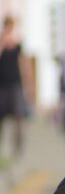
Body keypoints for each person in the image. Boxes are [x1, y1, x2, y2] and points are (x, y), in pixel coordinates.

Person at [0, 15, 31, 163]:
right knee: (2, 119)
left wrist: (28, 85)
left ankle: (18, 148)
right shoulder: (2, 41)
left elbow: (24, 64)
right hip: (2, 85)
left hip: (15, 85)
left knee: (19, 117)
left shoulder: (18, 44)